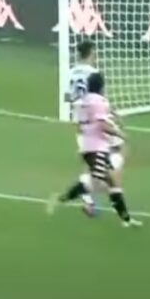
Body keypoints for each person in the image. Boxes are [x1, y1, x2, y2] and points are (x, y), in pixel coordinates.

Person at [48, 72, 141, 228]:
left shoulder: (84, 101)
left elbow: (80, 122)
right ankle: (62, 198)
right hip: (97, 148)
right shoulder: (99, 102)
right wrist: (120, 134)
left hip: (88, 146)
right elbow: (102, 125)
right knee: (98, 181)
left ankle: (126, 220)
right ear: (102, 87)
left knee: (111, 182)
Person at [65, 41, 127, 217]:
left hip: (80, 121)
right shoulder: (93, 73)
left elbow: (68, 97)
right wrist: (114, 113)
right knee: (117, 150)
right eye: (94, 52)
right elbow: (100, 97)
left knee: (94, 160)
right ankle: (101, 189)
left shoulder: (71, 72)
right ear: (91, 53)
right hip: (96, 120)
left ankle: (89, 199)